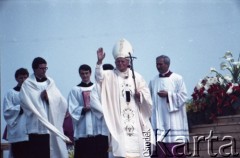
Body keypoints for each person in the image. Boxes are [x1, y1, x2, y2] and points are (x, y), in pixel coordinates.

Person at [95, 38, 155, 158]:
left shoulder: (136, 77)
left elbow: (146, 94)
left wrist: (141, 95)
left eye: (122, 61)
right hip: (118, 119)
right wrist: (99, 62)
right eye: (118, 62)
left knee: (139, 148)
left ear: (128, 62)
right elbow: (99, 77)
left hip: (136, 119)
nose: (120, 64)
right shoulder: (110, 75)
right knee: (121, 149)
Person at [19, 57, 69, 158]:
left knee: (49, 152)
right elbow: (25, 102)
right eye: (41, 68)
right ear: (34, 69)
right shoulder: (28, 84)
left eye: (45, 68)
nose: (44, 70)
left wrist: (49, 98)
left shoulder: (50, 82)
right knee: (36, 153)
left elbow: (59, 99)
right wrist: (39, 98)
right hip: (35, 126)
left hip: (50, 124)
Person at [149, 55, 189, 158]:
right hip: (159, 120)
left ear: (167, 64)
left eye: (160, 64)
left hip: (174, 121)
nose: (158, 66)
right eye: (156, 64)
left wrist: (168, 95)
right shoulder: (153, 81)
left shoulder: (177, 78)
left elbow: (183, 96)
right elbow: (149, 98)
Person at [68, 64, 109, 158]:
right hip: (83, 125)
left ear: (90, 73)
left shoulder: (97, 88)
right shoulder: (75, 90)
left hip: (97, 124)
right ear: (79, 74)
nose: (85, 76)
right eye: (82, 73)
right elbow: (72, 108)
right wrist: (82, 109)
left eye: (87, 73)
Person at [3, 68, 29, 158]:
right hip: (17, 130)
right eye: (21, 78)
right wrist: (20, 108)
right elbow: (7, 111)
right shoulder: (11, 93)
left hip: (30, 131)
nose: (23, 80)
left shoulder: (32, 92)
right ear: (16, 79)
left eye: (25, 78)